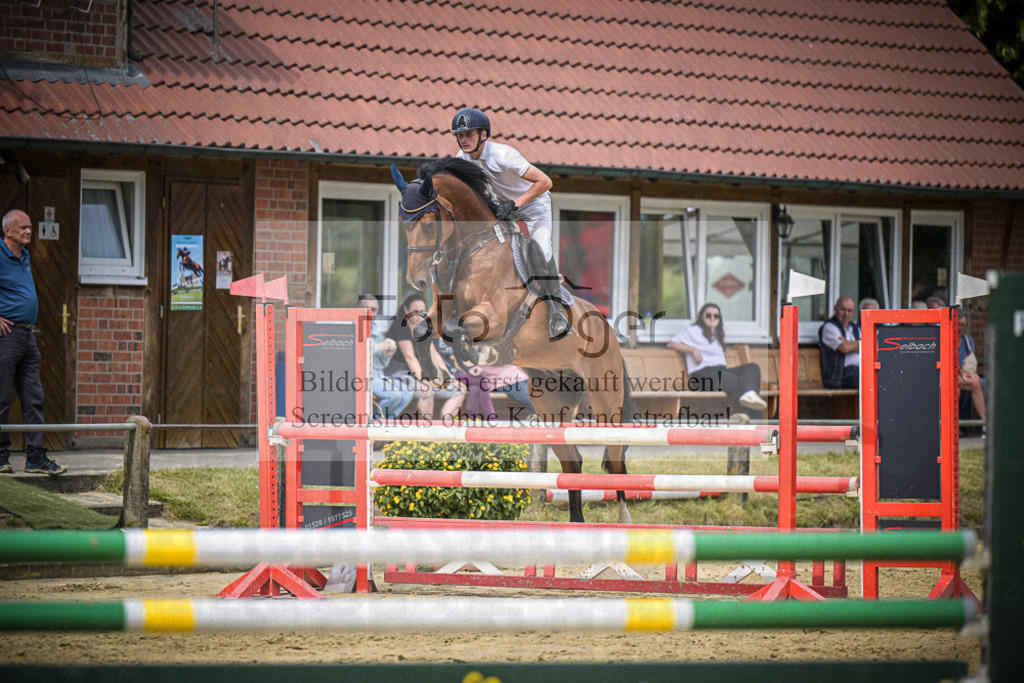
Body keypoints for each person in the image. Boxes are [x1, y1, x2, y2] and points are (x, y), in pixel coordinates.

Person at [450, 106, 569, 340]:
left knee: (542, 251)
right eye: (460, 135)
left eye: (469, 134)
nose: (463, 140)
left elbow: (545, 182)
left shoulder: (504, 155)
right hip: (502, 207)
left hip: (534, 203)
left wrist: (515, 204)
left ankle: (556, 313)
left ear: (483, 135)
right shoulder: (460, 159)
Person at [0, 210, 65, 475]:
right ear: (8, 231)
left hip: (28, 336)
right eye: (23, 228)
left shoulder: (24, 256)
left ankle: (35, 458)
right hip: (7, 337)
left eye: (29, 227)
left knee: (34, 398)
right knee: (1, 398)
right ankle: (1, 458)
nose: (28, 231)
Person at [667, 303, 768, 417]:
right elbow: (672, 343)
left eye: (716, 316)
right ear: (702, 317)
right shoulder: (693, 331)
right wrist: (693, 350)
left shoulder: (717, 334)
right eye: (708, 315)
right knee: (742, 383)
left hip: (721, 373)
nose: (712, 318)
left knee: (752, 368)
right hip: (702, 377)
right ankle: (751, 417)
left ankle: (747, 406)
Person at [384, 293, 464, 420]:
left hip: (419, 374)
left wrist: (450, 379)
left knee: (459, 391)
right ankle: (425, 434)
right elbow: (409, 357)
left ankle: (443, 431)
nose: (418, 315)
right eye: (414, 311)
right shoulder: (400, 326)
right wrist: (424, 380)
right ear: (406, 310)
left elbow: (434, 355)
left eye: (422, 311)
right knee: (427, 391)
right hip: (399, 373)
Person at [358, 294, 414, 420]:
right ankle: (375, 423)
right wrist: (379, 347)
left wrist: (387, 355)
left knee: (407, 393)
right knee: (393, 396)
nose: (371, 312)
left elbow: (380, 364)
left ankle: (387, 423)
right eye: (367, 308)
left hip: (378, 375)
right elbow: (356, 353)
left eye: (374, 309)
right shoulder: (355, 327)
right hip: (361, 377)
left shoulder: (374, 329)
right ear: (359, 310)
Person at [818, 296, 860, 390]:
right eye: (843, 310)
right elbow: (845, 348)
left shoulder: (853, 327)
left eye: (849, 311)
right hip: (840, 376)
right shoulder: (829, 327)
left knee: (881, 373)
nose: (846, 314)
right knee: (869, 378)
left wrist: (849, 343)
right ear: (835, 309)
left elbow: (871, 347)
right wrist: (858, 344)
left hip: (856, 371)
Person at [958, 320, 986, 435]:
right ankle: (954, 427)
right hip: (946, 374)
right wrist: (962, 371)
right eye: (958, 324)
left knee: (977, 383)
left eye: (963, 325)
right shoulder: (944, 337)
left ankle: (985, 425)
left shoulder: (968, 341)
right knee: (955, 389)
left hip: (963, 374)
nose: (959, 327)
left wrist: (969, 373)